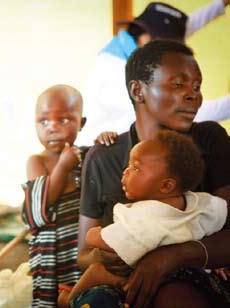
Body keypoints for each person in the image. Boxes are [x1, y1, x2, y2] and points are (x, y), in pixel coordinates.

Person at [76, 39, 230, 308]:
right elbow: (83, 254)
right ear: (138, 90)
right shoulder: (104, 157)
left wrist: (168, 257)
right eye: (178, 84)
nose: (193, 95)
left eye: (197, 86)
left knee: (172, 295)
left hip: (191, 275)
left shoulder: (210, 140)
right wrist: (105, 257)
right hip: (119, 279)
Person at [59, 130, 227, 307]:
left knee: (97, 270)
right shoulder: (200, 203)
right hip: (190, 274)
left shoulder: (145, 216)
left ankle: (68, 301)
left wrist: (93, 235)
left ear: (166, 185)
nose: (125, 172)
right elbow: (218, 220)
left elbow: (108, 241)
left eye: (135, 167)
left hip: (142, 277)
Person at [78, 0, 230, 146]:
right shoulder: (113, 69)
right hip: (107, 155)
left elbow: (186, 26)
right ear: (148, 39)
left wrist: (221, 3)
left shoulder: (134, 45)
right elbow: (184, 110)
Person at [21, 85, 87, 307]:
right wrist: (63, 166)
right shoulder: (36, 161)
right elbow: (40, 206)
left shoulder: (86, 157)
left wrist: (107, 139)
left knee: (80, 297)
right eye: (44, 121)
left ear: (82, 123)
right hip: (52, 257)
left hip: (79, 250)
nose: (52, 128)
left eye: (64, 120)